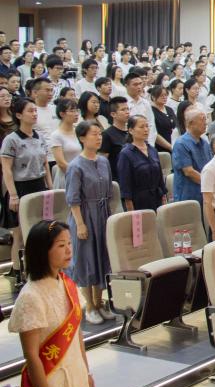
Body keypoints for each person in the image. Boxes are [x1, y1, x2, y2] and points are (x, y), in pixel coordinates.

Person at [10, 221, 94, 387]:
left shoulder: (67, 284)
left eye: (70, 243)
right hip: (51, 382)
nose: (69, 250)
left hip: (76, 374)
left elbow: (77, 335)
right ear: (43, 251)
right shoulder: (31, 296)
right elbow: (31, 355)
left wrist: (86, 371)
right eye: (61, 245)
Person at [65, 120, 115, 324]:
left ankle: (99, 301)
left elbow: (110, 191)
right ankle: (89, 306)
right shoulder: (75, 166)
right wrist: (80, 224)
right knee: (86, 260)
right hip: (85, 215)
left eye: (100, 133)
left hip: (102, 214)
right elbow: (73, 199)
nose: (98, 137)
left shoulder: (103, 161)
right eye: (94, 134)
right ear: (82, 138)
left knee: (102, 258)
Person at [2, 99, 53, 282]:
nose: (34, 114)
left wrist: (50, 187)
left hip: (39, 186)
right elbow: (7, 169)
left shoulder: (39, 137)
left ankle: (39, 269)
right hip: (21, 187)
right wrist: (13, 195)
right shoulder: (11, 139)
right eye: (30, 111)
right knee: (20, 234)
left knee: (41, 230)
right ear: (18, 115)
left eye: (35, 111)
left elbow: (45, 164)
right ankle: (18, 271)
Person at [117, 116, 167, 213]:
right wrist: (131, 211)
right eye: (141, 127)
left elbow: (160, 179)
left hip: (156, 199)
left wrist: (164, 199)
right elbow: (125, 186)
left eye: (147, 126)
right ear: (131, 130)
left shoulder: (152, 150)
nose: (146, 129)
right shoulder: (126, 153)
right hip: (139, 202)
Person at [171, 107, 213, 206]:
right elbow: (189, 172)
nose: (206, 123)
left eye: (205, 119)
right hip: (188, 198)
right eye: (202, 119)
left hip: (205, 194)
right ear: (190, 123)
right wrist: (210, 184)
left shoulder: (205, 143)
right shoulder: (181, 144)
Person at [50, 98, 82, 189]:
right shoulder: (56, 135)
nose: (76, 114)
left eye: (77, 110)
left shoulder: (79, 131)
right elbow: (61, 163)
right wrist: (78, 174)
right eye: (72, 111)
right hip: (67, 176)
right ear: (62, 114)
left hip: (81, 174)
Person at [99, 97, 130, 183]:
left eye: (128, 109)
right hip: (117, 180)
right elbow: (102, 163)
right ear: (113, 114)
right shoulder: (107, 135)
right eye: (123, 110)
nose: (127, 112)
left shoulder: (131, 132)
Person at [150, 85, 176, 154]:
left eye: (165, 95)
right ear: (153, 97)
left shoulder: (169, 109)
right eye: (161, 95)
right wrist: (170, 147)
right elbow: (154, 133)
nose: (164, 97)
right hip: (160, 148)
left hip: (173, 143)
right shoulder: (151, 111)